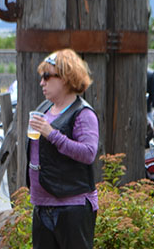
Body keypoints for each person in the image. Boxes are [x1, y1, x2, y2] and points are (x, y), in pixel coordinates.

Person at [27, 49, 99, 249]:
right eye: (41, 77)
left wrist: (52, 134)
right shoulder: (44, 108)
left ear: (66, 79)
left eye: (47, 76)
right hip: (42, 206)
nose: (42, 82)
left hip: (72, 207)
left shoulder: (83, 114)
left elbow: (88, 153)